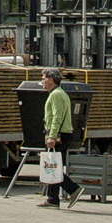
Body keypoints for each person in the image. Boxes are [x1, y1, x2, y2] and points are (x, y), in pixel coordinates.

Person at [38, 69, 76, 209]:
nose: (42, 81)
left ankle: (73, 189)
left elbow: (57, 117)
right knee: (52, 164)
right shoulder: (59, 93)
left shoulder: (56, 95)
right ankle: (53, 198)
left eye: (43, 78)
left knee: (53, 167)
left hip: (59, 134)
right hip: (61, 133)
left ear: (51, 80)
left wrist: (52, 136)